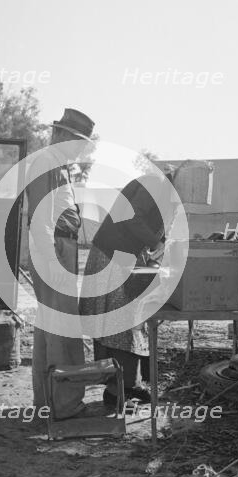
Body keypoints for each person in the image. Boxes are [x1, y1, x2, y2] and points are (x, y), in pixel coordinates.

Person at [80, 167, 177, 406]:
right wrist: (155, 242)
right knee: (119, 322)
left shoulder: (166, 195)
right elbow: (131, 217)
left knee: (130, 322)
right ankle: (115, 392)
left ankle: (130, 384)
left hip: (124, 254)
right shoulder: (154, 184)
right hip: (111, 255)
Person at [25, 108, 95, 419]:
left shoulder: (58, 165)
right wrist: (50, 258)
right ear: (61, 136)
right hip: (55, 248)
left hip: (59, 246)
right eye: (78, 141)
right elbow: (41, 215)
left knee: (51, 326)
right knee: (62, 327)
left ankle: (49, 401)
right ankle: (64, 404)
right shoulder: (46, 163)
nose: (81, 149)